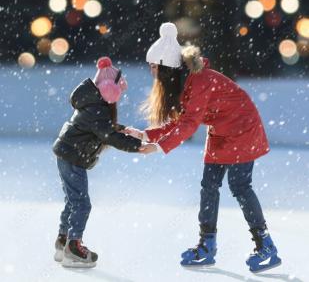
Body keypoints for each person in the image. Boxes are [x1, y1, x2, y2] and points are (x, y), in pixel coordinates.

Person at [124, 22, 281, 273]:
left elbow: (188, 126)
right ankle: (207, 245)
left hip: (243, 129)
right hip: (220, 132)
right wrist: (145, 134)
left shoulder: (199, 81)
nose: (151, 71)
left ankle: (266, 247)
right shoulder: (182, 81)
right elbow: (180, 120)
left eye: (153, 66)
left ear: (166, 67)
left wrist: (159, 147)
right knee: (209, 186)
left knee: (240, 186)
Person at [52, 57, 141, 268]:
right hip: (72, 157)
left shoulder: (93, 104)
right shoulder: (97, 109)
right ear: (109, 88)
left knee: (73, 201)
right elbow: (107, 134)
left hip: (68, 154)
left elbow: (103, 129)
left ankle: (63, 241)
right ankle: (73, 248)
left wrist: (121, 129)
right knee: (82, 204)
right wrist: (136, 146)